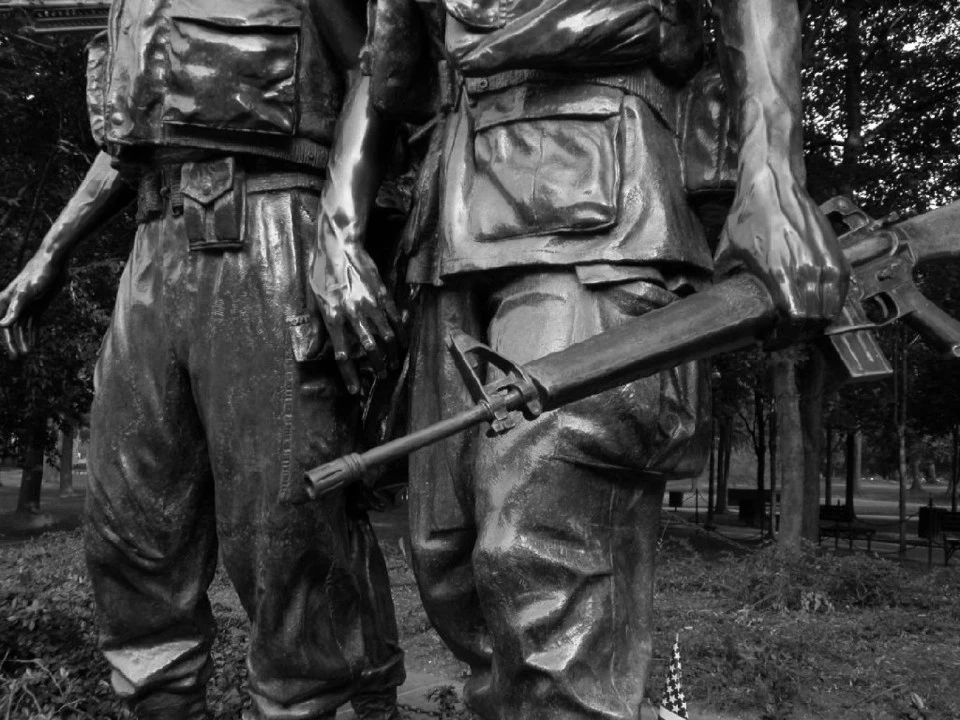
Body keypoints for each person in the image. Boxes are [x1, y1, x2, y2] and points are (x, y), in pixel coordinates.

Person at [326, 1, 848, 719]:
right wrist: (340, 228)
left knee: (538, 546)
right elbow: (388, 71)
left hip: (596, 209)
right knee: (451, 563)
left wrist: (773, 175)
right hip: (450, 235)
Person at [0, 1, 406, 718]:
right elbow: (136, 141)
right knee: (131, 530)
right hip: (155, 247)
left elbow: (375, 64)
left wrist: (342, 232)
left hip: (272, 225)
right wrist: (51, 250)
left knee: (284, 537)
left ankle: (325, 701)